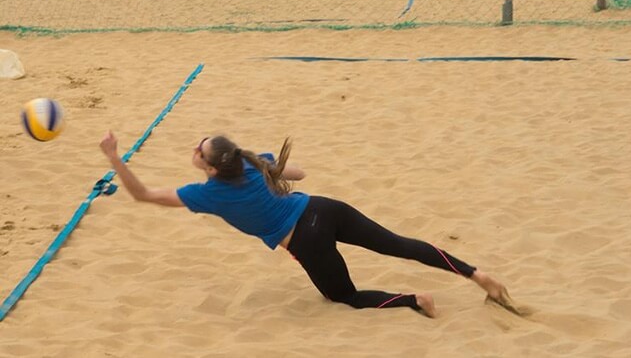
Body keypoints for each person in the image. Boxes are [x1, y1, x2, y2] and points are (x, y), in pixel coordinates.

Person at [99, 131, 522, 318]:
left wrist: (115, 158)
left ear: (210, 168)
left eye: (200, 149)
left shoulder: (206, 194)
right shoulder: (250, 162)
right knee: (398, 243)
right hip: (326, 208)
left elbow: (142, 196)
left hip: (308, 238)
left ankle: (416, 301)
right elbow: (297, 174)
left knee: (345, 297)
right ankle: (476, 274)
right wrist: (274, 175)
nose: (195, 149)